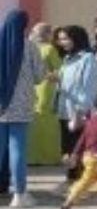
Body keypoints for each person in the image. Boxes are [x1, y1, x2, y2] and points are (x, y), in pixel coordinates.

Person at [0, 10, 44, 208]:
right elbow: (39, 76)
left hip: (0, 105)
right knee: (17, 149)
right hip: (21, 105)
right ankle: (19, 194)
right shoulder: (30, 47)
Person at [56, 25, 97, 188]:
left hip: (78, 112)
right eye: (60, 39)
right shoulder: (67, 59)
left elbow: (89, 87)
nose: (62, 42)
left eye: (65, 38)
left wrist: (81, 111)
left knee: (78, 150)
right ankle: (72, 181)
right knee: (67, 150)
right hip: (65, 110)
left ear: (76, 38)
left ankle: (80, 184)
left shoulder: (88, 59)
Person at [27, 23, 62, 166]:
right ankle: (47, 157)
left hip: (37, 89)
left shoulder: (33, 48)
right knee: (46, 123)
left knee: (37, 122)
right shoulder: (47, 49)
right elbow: (60, 71)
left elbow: (59, 71)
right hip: (42, 89)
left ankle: (36, 157)